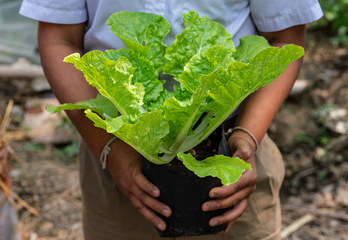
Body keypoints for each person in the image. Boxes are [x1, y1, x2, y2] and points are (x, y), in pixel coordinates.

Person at [20, 1, 323, 239]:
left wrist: (246, 136)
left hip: (232, 152)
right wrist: (109, 147)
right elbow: (58, 38)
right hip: (114, 156)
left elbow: (285, 37)